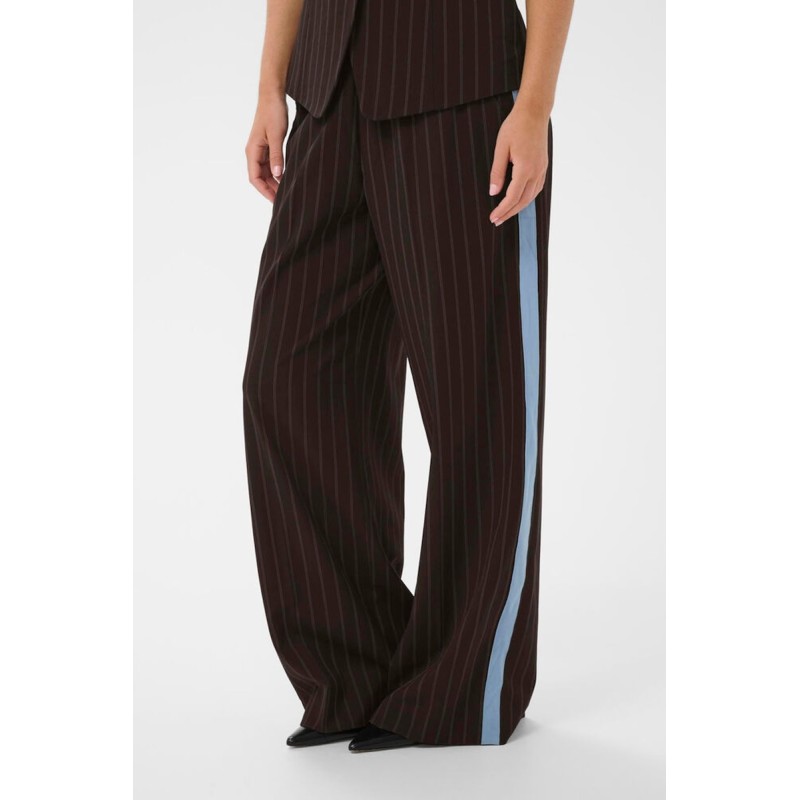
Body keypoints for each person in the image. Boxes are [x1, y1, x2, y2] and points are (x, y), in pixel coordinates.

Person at [243, 0, 573, 752]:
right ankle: (357, 668)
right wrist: (270, 86)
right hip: (329, 96)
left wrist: (533, 107)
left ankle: (464, 688)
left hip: (463, 93)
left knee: (478, 398)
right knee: (286, 379)